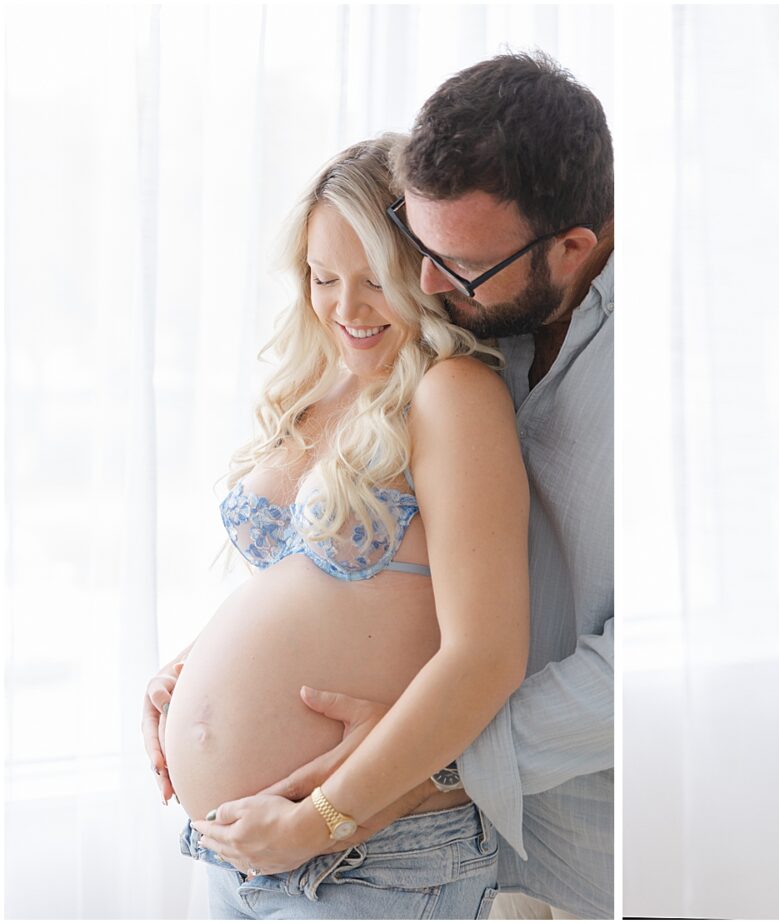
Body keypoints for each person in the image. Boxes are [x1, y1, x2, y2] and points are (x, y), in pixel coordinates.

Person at [144, 52, 616, 918]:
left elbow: (485, 650)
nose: (349, 307)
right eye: (323, 279)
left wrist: (323, 818)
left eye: (378, 279)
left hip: (370, 854)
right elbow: (322, 591)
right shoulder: (333, 385)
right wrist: (193, 673)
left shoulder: (456, 391)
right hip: (241, 848)